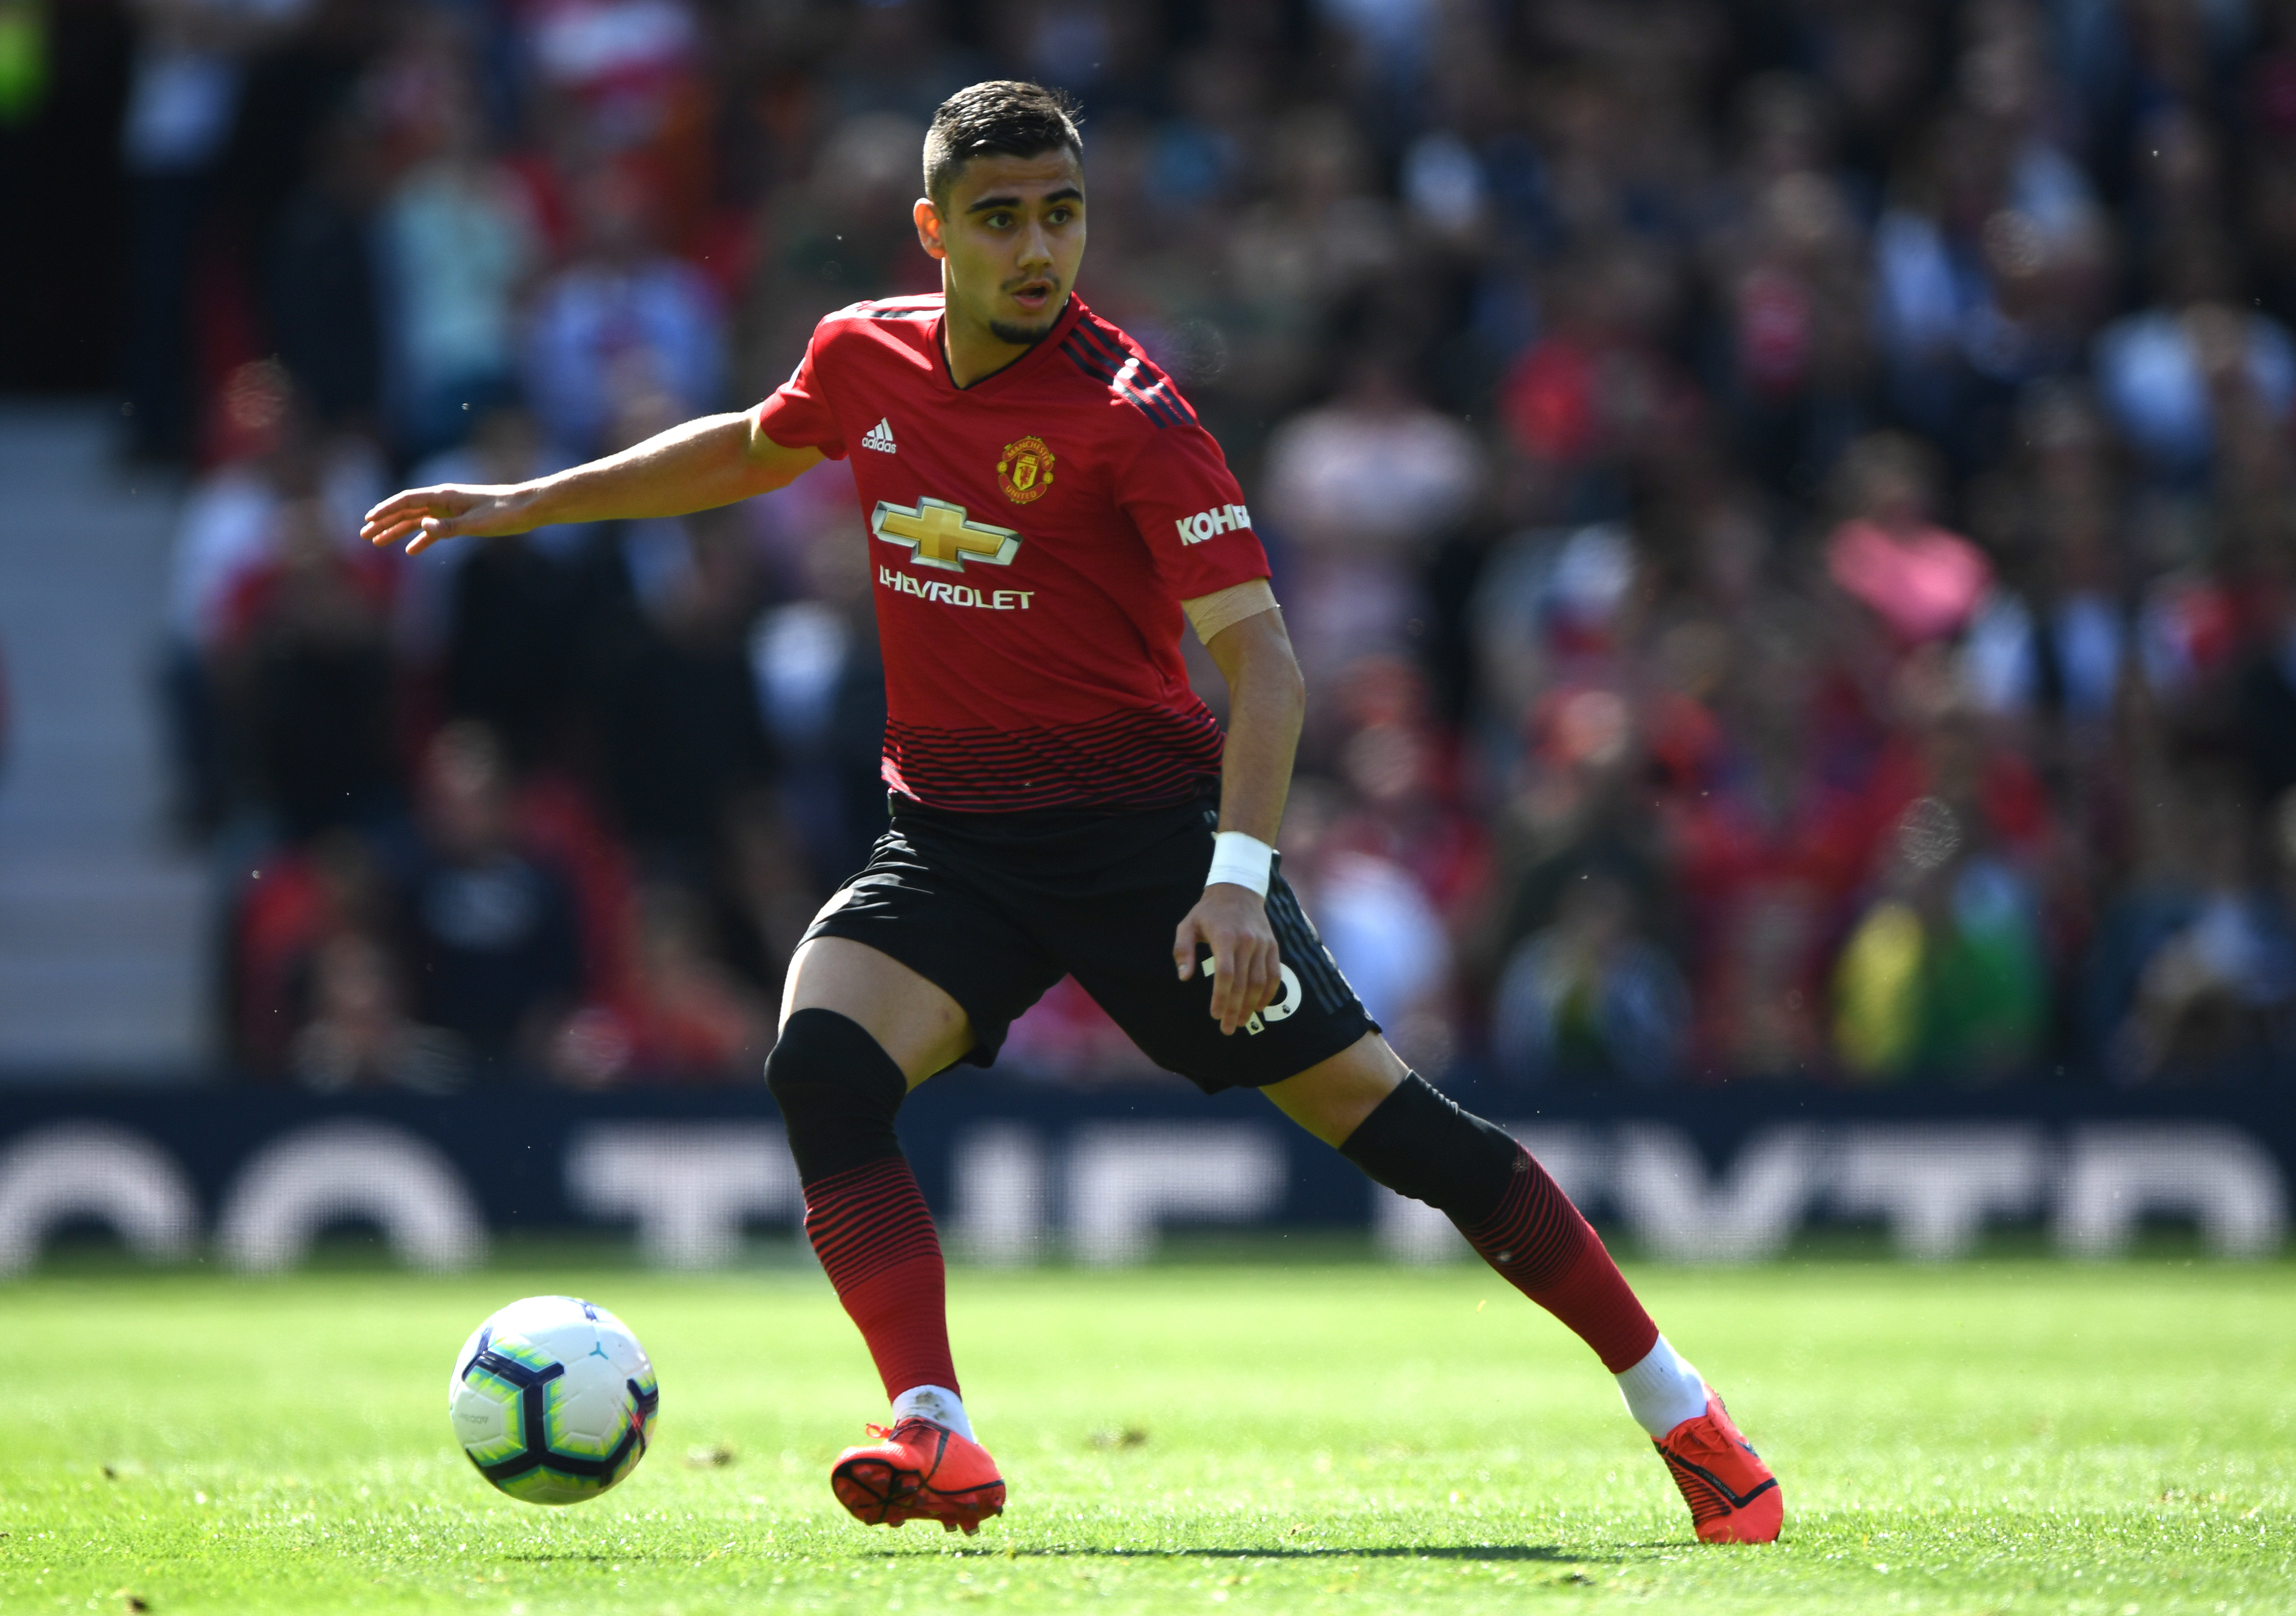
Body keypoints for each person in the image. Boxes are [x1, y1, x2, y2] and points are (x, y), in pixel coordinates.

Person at [363, 81, 1782, 1547]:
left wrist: (1235, 880)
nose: (1038, 248)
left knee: (1397, 1130)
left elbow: (1268, 669)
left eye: (1061, 214)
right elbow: (751, 444)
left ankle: (1679, 1406)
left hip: (1149, 851)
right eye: (1000, 219)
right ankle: (934, 1428)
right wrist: (530, 500)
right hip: (955, 841)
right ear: (935, 232)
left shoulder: (1133, 418)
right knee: (823, 1068)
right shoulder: (863, 357)